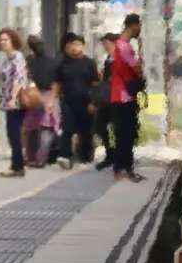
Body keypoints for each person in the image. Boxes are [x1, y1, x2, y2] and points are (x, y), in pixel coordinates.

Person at [106, 14, 145, 183]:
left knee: (124, 134)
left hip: (120, 96)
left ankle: (122, 169)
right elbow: (137, 68)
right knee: (126, 135)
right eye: (139, 26)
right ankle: (124, 169)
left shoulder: (119, 46)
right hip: (125, 97)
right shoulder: (124, 46)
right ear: (133, 25)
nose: (140, 30)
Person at [53, 33, 99, 168]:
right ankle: (65, 156)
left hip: (86, 102)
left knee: (85, 132)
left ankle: (85, 156)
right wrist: (52, 100)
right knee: (67, 129)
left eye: (77, 44)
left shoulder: (90, 63)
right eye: (71, 44)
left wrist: (94, 102)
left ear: (83, 46)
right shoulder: (63, 63)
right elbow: (57, 83)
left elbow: (96, 84)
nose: (74, 47)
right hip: (68, 101)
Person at [0, 28, 30, 177]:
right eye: (1, 40)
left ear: (13, 41)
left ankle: (18, 166)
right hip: (8, 101)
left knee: (14, 132)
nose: (2, 43)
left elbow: (19, 79)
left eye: (5, 40)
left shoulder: (17, 57)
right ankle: (16, 165)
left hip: (16, 102)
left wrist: (13, 98)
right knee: (12, 132)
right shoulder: (5, 58)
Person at [23, 38, 60, 168]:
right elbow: (57, 82)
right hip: (46, 95)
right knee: (45, 128)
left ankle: (32, 158)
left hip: (35, 95)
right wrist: (51, 99)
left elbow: (26, 79)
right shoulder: (53, 62)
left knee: (32, 128)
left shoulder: (29, 62)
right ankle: (40, 159)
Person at [93, 33, 120, 169]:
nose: (104, 45)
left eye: (105, 43)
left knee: (118, 128)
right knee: (99, 126)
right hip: (106, 98)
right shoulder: (108, 58)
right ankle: (111, 154)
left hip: (119, 99)